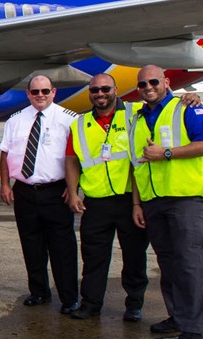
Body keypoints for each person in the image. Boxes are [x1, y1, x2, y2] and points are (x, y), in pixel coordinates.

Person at [128, 65, 203, 339]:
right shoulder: (139, 118)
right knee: (167, 262)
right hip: (154, 200)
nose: (148, 87)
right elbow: (136, 163)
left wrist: (166, 153)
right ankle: (177, 317)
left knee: (188, 263)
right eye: (142, 84)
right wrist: (137, 203)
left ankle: (193, 328)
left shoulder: (185, 107)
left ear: (166, 82)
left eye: (153, 82)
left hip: (185, 198)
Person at [63, 74, 149, 322]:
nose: (100, 94)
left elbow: (163, 107)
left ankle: (134, 304)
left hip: (128, 199)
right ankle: (91, 304)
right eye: (95, 90)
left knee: (134, 255)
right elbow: (71, 159)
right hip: (96, 201)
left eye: (105, 89)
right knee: (93, 257)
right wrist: (72, 191)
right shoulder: (80, 124)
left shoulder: (135, 113)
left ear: (115, 89)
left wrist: (188, 100)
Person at [0, 75, 79, 314]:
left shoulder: (69, 120)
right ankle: (39, 291)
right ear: (28, 93)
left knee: (62, 248)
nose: (40, 95)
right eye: (35, 92)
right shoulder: (16, 120)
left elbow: (77, 157)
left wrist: (74, 189)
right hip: (24, 190)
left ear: (54, 92)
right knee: (31, 245)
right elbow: (5, 154)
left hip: (56, 191)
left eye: (45, 91)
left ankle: (69, 297)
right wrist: (5, 184)